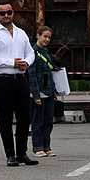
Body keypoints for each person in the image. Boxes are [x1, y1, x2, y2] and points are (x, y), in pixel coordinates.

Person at [0, 1, 38, 167]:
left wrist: (26, 63)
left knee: (24, 117)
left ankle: (22, 153)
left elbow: (31, 52)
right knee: (6, 117)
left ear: (13, 13)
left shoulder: (21, 33)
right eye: (3, 13)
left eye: (9, 12)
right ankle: (10, 155)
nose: (6, 16)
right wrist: (11, 63)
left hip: (20, 79)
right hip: (1, 79)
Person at [28, 26, 57, 158]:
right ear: (38, 35)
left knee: (48, 121)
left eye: (49, 37)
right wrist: (35, 95)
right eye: (44, 36)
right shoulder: (32, 53)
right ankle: (37, 147)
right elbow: (32, 75)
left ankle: (47, 146)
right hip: (39, 92)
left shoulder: (45, 52)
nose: (47, 39)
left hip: (49, 92)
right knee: (37, 121)